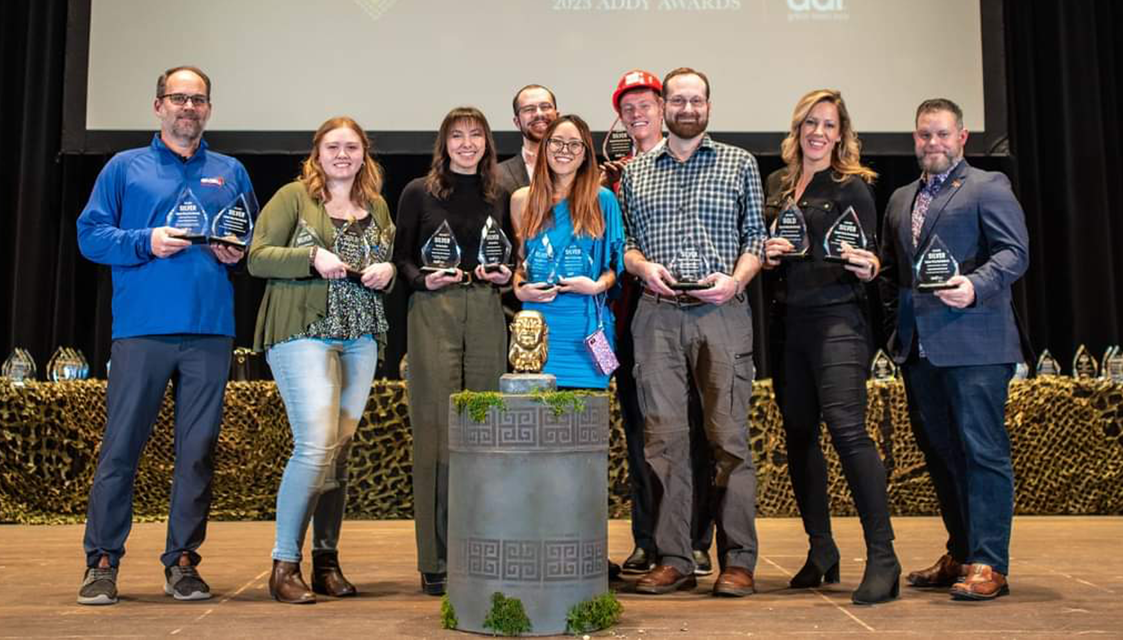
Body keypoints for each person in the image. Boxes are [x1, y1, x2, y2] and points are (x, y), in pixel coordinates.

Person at [75, 65, 253, 605]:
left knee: (196, 452)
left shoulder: (231, 171)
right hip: (143, 330)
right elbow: (90, 236)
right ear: (158, 107)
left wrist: (235, 253)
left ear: (209, 110)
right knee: (121, 449)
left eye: (197, 100)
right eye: (178, 98)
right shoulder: (123, 168)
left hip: (209, 331)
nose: (188, 108)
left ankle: (182, 562)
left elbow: (247, 239)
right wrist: (145, 240)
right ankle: (102, 561)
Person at [619, 67, 766, 597]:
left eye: (696, 100)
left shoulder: (739, 163)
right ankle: (675, 557)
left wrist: (736, 280)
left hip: (722, 312)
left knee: (728, 440)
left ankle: (739, 560)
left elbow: (756, 237)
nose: (687, 108)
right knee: (664, 442)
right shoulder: (635, 174)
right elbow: (627, 243)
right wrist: (641, 268)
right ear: (664, 106)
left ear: (707, 105)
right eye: (677, 99)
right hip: (657, 315)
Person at [879, 98, 1029, 601]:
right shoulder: (901, 198)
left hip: (977, 343)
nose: (933, 143)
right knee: (942, 455)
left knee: (983, 452)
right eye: (924, 135)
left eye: (942, 134)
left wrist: (976, 284)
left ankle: (990, 563)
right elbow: (894, 269)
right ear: (914, 138)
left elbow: (1015, 252)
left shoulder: (989, 186)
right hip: (919, 350)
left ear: (962, 137)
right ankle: (963, 550)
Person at [247, 116, 395, 604]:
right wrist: (309, 259)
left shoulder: (375, 205)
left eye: (352, 147)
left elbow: (388, 259)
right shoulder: (293, 197)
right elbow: (257, 256)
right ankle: (283, 564)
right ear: (317, 152)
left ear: (364, 154)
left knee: (340, 451)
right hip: (302, 333)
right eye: (333, 146)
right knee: (315, 445)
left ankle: (326, 562)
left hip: (360, 336)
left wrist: (388, 271)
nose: (343, 154)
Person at [761, 89, 899, 604]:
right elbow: (766, 244)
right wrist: (768, 253)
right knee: (799, 434)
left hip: (838, 322)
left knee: (847, 432)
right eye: (809, 123)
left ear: (841, 133)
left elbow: (870, 258)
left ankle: (884, 557)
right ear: (797, 129)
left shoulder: (853, 186)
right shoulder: (777, 183)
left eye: (828, 125)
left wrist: (869, 265)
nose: (818, 133)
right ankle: (821, 550)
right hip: (787, 324)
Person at [392, 106, 514, 596]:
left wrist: (507, 278)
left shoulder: (501, 194)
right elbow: (400, 257)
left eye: (476, 135)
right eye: (457, 136)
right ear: (444, 143)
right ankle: (435, 558)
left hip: (486, 310)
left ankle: (481, 548)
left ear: (487, 142)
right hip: (433, 309)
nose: (467, 143)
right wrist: (423, 278)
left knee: (486, 430)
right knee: (436, 432)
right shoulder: (418, 192)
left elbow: (512, 256)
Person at [603, 70, 716, 578]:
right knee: (642, 432)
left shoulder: (690, 166)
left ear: (664, 107)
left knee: (694, 427)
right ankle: (649, 536)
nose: (637, 114)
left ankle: (695, 537)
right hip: (630, 324)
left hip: (690, 313)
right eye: (628, 108)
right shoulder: (611, 179)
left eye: (646, 104)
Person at [511, 115, 624, 389]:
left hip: (586, 327)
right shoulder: (522, 200)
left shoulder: (603, 199)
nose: (565, 151)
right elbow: (521, 264)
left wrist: (597, 286)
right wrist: (518, 289)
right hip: (536, 329)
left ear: (585, 153)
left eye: (575, 144)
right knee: (538, 425)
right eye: (557, 142)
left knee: (585, 426)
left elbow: (615, 267)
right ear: (545, 147)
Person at [497, 85, 558, 195]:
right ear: (517, 122)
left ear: (557, 116)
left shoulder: (580, 170)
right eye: (529, 109)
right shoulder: (497, 175)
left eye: (545, 107)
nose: (539, 114)